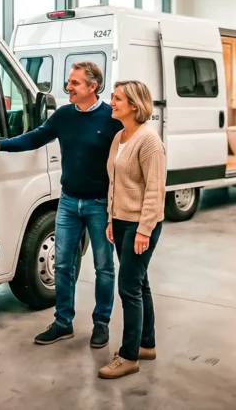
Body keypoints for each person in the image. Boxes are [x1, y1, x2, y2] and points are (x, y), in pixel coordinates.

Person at [0, 61, 122, 348]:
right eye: (69, 81)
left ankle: (101, 323)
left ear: (93, 87)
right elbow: (35, 137)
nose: (68, 86)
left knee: (104, 267)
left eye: (75, 83)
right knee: (64, 264)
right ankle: (63, 322)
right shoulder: (64, 115)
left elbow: (133, 144)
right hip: (68, 202)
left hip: (99, 204)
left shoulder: (111, 118)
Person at [98, 80, 166, 380]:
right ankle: (146, 344)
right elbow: (115, 182)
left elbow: (155, 189)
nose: (111, 102)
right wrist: (112, 219)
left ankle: (128, 356)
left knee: (128, 288)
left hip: (142, 224)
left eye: (117, 99)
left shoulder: (149, 141)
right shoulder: (119, 137)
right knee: (140, 283)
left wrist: (144, 230)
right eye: (113, 97)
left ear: (135, 106)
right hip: (122, 221)